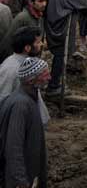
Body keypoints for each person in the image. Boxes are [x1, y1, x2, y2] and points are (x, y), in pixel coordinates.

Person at [0, 58, 50, 188]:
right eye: (45, 74)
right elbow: (13, 146)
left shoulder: (28, 99)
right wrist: (20, 181)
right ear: (31, 80)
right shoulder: (21, 105)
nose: (49, 77)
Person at [45, 0, 87, 96]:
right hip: (63, 28)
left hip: (52, 25)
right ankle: (54, 86)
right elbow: (84, 2)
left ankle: (54, 84)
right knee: (61, 56)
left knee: (58, 55)